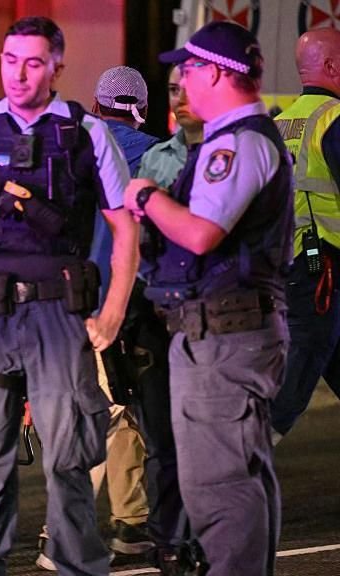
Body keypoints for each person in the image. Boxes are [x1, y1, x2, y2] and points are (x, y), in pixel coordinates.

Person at [0, 16, 137, 575]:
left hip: (57, 313)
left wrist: (113, 307)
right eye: (10, 60)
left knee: (68, 457)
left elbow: (126, 226)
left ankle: (75, 564)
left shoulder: (87, 133)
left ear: (57, 68)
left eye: (34, 62)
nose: (19, 74)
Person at [125, 21, 293, 576]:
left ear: (219, 73)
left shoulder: (237, 141)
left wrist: (146, 196)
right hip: (228, 327)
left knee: (218, 487)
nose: (184, 82)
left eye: (190, 70)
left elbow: (201, 233)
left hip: (225, 332)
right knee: (240, 475)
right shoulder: (239, 137)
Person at [132, 65, 205, 575]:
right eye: (174, 90)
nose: (179, 100)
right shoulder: (158, 156)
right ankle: (169, 540)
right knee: (162, 436)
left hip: (218, 317)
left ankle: (208, 534)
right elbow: (133, 242)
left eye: (188, 90)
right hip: (159, 314)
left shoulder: (240, 153)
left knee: (209, 437)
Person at [85, 65, 159, 561]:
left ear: (97, 105)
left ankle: (130, 520)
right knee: (120, 411)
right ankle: (109, 523)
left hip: (62, 302)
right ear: (142, 108)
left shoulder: (70, 147)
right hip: (125, 304)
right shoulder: (155, 154)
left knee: (88, 410)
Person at [270, 28, 340, 444]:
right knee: (303, 363)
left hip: (293, 263)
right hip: (324, 270)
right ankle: (247, 456)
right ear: (332, 66)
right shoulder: (333, 120)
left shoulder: (280, 124)